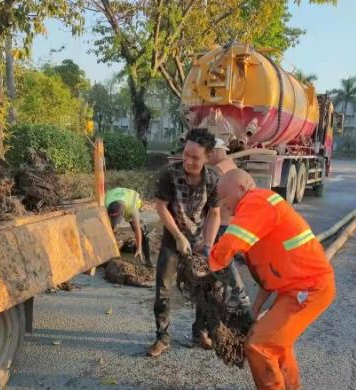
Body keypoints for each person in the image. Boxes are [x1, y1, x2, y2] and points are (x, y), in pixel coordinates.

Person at [209, 169, 335, 390]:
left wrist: (208, 265)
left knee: (259, 343)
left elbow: (232, 242)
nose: (224, 205)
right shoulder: (260, 214)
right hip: (296, 288)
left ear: (242, 188)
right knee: (277, 339)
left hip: (308, 290)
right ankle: (293, 389)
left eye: (225, 197)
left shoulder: (257, 202)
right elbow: (268, 278)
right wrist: (254, 311)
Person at [147, 128, 222, 358]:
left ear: (208, 156)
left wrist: (208, 246)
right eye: (185, 154)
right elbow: (160, 206)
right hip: (173, 238)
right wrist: (178, 237)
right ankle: (162, 337)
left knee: (206, 288)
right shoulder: (169, 174)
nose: (188, 160)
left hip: (199, 241)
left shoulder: (213, 179)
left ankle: (200, 331)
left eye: (195, 157)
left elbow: (215, 214)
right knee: (163, 288)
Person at [207, 138, 251, 314]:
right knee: (226, 258)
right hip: (232, 221)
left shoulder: (218, 170)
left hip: (224, 222)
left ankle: (239, 294)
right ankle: (233, 293)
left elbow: (213, 207)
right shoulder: (232, 165)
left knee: (225, 259)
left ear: (218, 152)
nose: (208, 157)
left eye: (210, 153)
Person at [105, 187, 153, 266]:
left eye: (116, 218)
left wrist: (139, 248)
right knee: (111, 227)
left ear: (123, 213)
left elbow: (137, 230)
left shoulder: (132, 208)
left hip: (131, 200)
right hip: (114, 196)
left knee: (143, 233)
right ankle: (110, 251)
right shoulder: (106, 203)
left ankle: (148, 260)